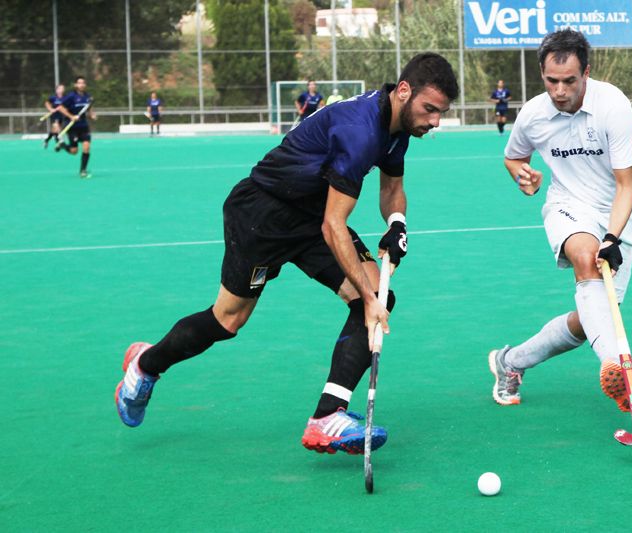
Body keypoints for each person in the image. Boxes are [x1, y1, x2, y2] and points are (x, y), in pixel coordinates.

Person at [115, 53, 458, 456]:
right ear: (403, 91)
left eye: (441, 112)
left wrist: (396, 223)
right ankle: (146, 364)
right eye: (430, 109)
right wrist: (367, 298)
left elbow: (391, 186)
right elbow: (334, 225)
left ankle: (327, 417)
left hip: (309, 215)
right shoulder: (360, 130)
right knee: (228, 320)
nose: (434, 121)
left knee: (382, 294)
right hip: (263, 214)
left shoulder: (398, 125)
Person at [488, 29, 632, 416]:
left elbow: (627, 185)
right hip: (567, 204)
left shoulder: (613, 105)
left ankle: (510, 362)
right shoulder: (534, 113)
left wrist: (612, 236)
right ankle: (616, 366)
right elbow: (513, 157)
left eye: (569, 81)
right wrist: (523, 175)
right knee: (587, 258)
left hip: (616, 212)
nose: (559, 90)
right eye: (551, 80)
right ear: (542, 74)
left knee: (589, 320)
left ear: (586, 72)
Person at [55, 76, 95, 178]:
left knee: (86, 146)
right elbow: (60, 108)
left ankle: (83, 170)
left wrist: (92, 115)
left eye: (83, 83)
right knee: (74, 151)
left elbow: (89, 108)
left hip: (83, 126)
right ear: (75, 85)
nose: (81, 85)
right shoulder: (71, 96)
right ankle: (63, 145)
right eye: (79, 83)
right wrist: (71, 116)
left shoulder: (87, 96)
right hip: (72, 126)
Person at [43, 84, 66, 149]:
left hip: (61, 116)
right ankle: (60, 142)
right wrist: (50, 109)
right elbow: (46, 103)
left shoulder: (65, 97)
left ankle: (46, 140)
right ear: (57, 90)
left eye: (63, 88)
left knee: (54, 131)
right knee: (57, 128)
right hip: (54, 116)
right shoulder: (53, 98)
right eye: (60, 88)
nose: (62, 90)